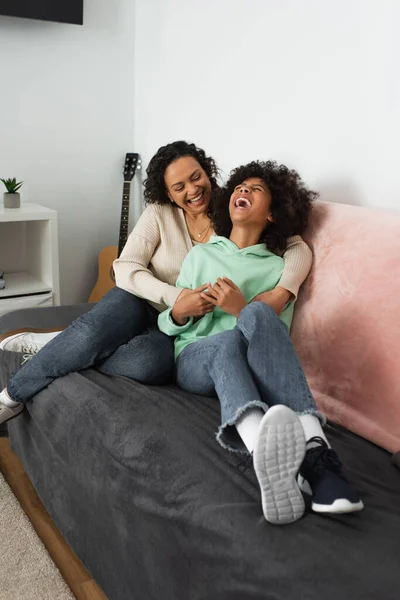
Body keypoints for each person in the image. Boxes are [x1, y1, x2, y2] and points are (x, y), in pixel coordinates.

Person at [0, 142, 312, 425]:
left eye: (196, 177)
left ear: (208, 173)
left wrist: (284, 291)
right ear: (167, 193)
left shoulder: (233, 208)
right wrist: (176, 297)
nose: (192, 190)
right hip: (143, 302)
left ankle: (69, 347)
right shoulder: (160, 214)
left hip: (178, 327)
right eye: (179, 186)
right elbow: (124, 267)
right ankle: (12, 396)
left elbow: (295, 242)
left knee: (149, 365)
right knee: (92, 333)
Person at [158, 160, 363, 525]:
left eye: (256, 190)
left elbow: (271, 342)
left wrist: (241, 308)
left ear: (272, 214)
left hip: (244, 358)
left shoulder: (276, 268)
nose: (243, 191)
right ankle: (260, 447)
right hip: (194, 359)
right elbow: (168, 325)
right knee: (224, 342)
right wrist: (184, 311)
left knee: (257, 315)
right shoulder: (200, 254)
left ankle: (316, 456)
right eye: (240, 187)